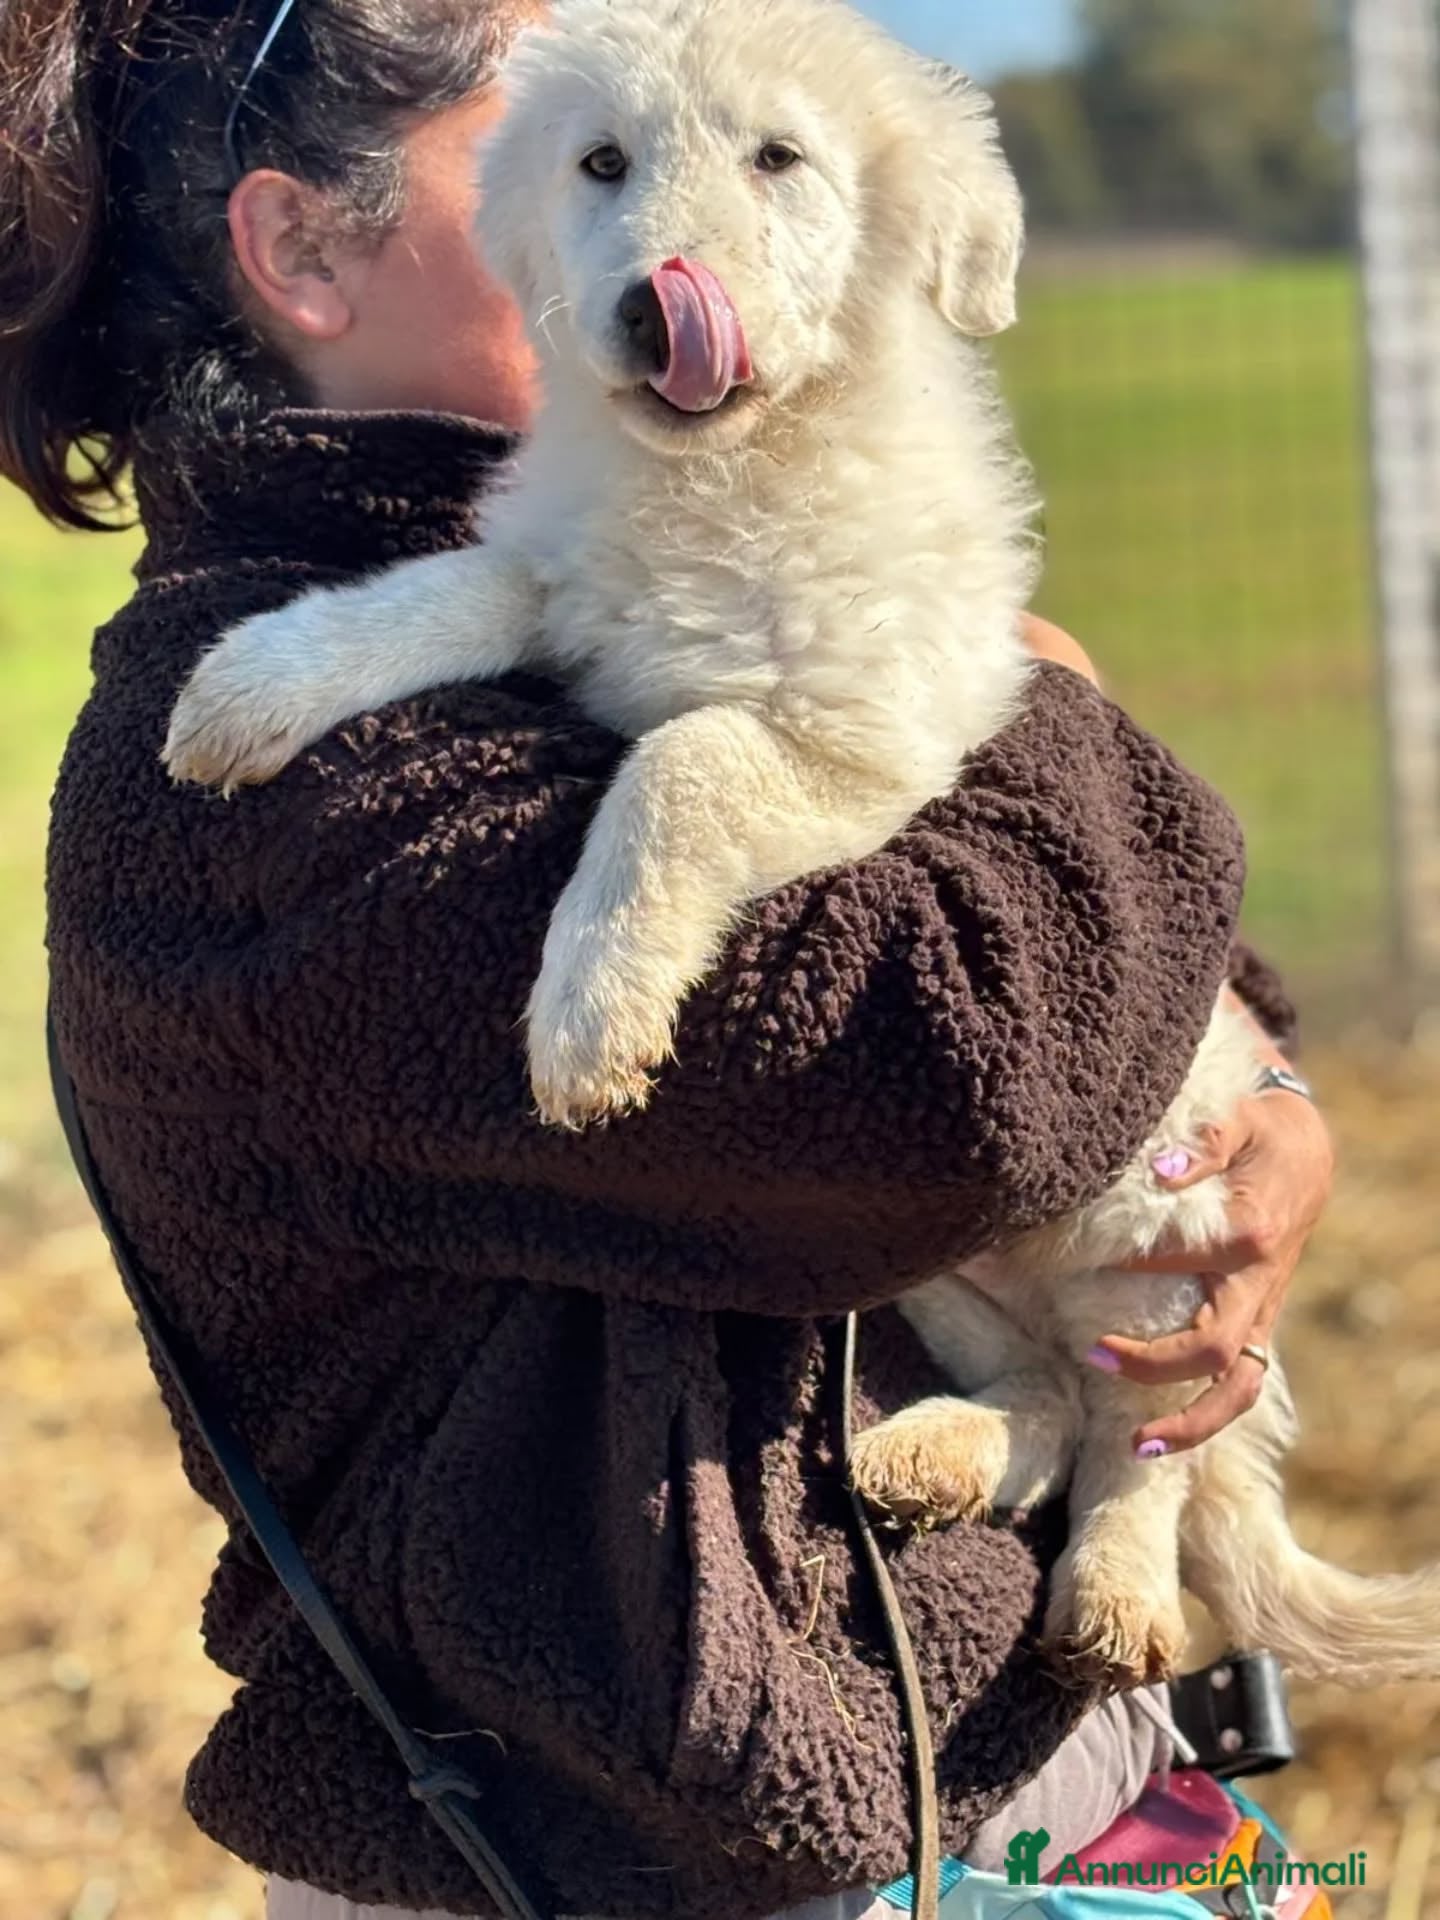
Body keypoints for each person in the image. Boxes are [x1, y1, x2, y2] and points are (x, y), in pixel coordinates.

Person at [2, 0, 1333, 1915]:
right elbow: (962, 1079)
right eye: (573, 155)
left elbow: (1097, 1012)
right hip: (673, 1833)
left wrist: (1259, 1089)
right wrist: (1043, 691)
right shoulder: (287, 777)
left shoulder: (616, 547)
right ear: (303, 251)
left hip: (954, 1737)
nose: (657, 237)